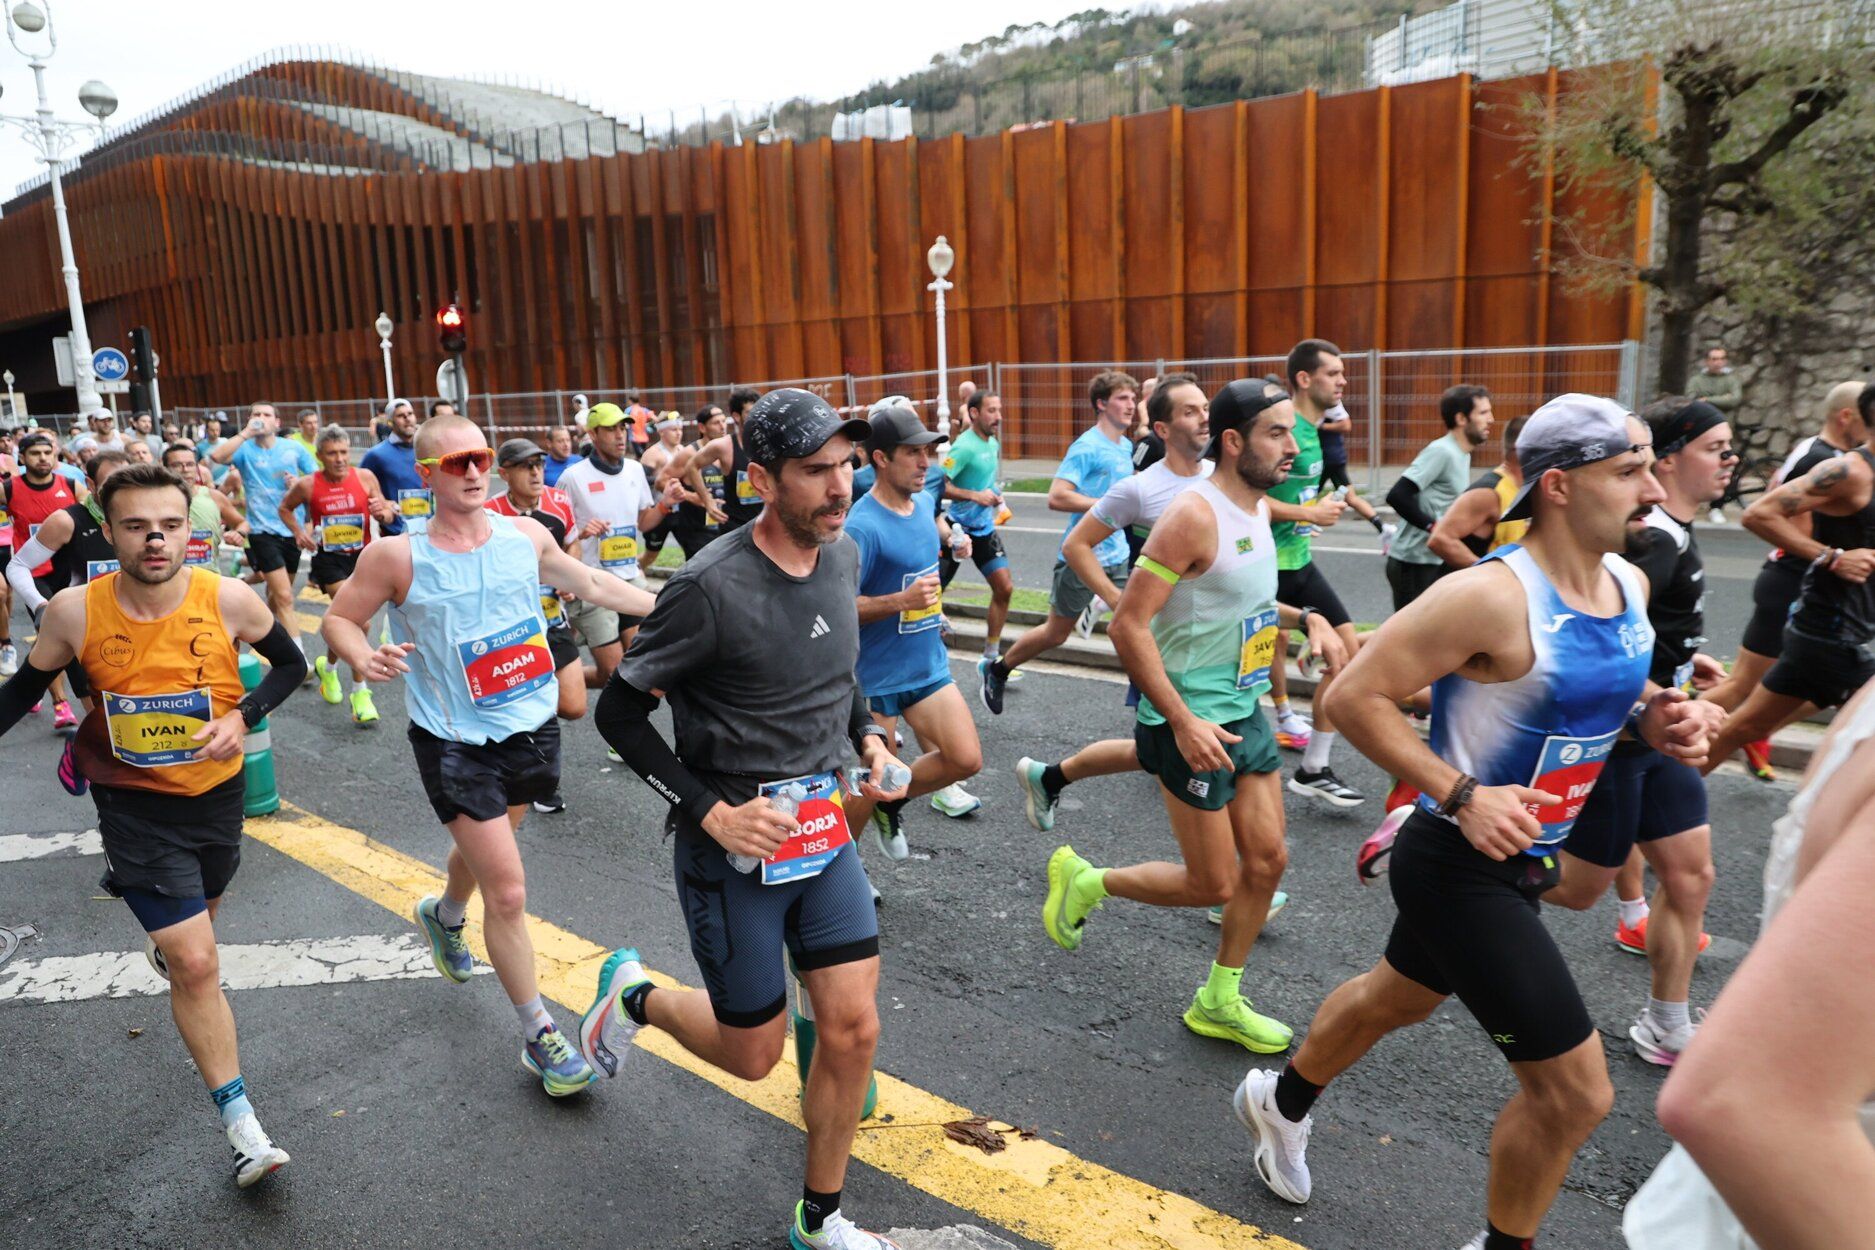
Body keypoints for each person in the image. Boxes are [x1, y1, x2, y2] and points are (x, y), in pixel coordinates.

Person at [1235, 395, 1721, 1250]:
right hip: (1456, 859)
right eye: (1630, 470)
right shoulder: (1489, 595)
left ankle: (1280, 1101)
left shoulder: (1631, 582)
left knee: (1394, 1000)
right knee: (1575, 1094)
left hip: (1527, 856)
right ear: (1561, 486)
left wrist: (1660, 716)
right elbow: (1351, 697)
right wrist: (1461, 792)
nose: (1652, 487)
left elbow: (1610, 697)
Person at [580, 388, 911, 1249]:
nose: (840, 487)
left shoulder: (839, 556)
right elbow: (618, 714)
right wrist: (711, 813)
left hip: (820, 830)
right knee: (754, 1055)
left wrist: (870, 739)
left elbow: (838, 679)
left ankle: (822, 1217)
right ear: (760, 477)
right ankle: (635, 994)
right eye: (815, 471)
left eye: (846, 465)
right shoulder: (706, 588)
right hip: (731, 847)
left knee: (853, 1024)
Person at [320, 414, 655, 1096]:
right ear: (427, 476)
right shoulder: (397, 557)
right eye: (457, 462)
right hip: (453, 741)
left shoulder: (526, 536)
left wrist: (683, 605)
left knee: (490, 849)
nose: (473, 471)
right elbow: (338, 619)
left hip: (529, 726)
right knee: (506, 888)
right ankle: (540, 1035)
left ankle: (442, 914)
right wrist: (363, 654)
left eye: (479, 458)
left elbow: (592, 587)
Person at [0, 461, 309, 1186]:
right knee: (198, 962)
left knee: (202, 914)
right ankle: (242, 1125)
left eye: (169, 526)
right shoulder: (74, 610)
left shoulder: (228, 598)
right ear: (110, 532)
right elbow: (21, 691)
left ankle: (173, 936)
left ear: (188, 530)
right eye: (137, 527)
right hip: (131, 803)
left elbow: (289, 665)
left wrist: (243, 715)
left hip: (214, 797)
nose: (155, 540)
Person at [1042, 379, 1347, 1055]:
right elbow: (1128, 624)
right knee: (1211, 882)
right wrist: (1180, 721)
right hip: (1191, 722)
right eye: (1275, 433)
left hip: (1241, 709)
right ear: (1234, 442)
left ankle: (1218, 999)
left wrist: (1314, 619)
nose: (1291, 445)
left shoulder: (1257, 512)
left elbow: (1249, 608)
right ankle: (1088, 880)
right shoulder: (1193, 515)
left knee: (1266, 862)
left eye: (1290, 432)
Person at [1629, 680, 1875, 1250]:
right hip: (1787, 1207)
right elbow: (1739, 1102)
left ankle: (1666, 1016)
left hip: (1753, 1200)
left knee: (1692, 877)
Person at [1537, 397, 1732, 1067]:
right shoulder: (1648, 544)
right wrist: (1652, 694)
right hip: (1613, 745)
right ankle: (1446, 864)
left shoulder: (1670, 530)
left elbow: (1642, 634)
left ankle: (1666, 1023)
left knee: (1689, 876)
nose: (1730, 463)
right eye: (1717, 449)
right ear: (1671, 459)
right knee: (1572, 890)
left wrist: (1680, 661)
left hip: (1658, 739)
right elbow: (1595, 635)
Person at [1014, 373, 1214, 831]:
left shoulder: (1208, 475)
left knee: (1154, 751)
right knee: (1057, 632)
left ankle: (1050, 776)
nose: (1204, 418)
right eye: (1191, 410)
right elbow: (1062, 510)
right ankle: (1000, 667)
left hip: (1197, 628)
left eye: (1206, 408)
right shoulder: (1132, 479)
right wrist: (1114, 598)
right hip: (1155, 621)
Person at [1703, 381, 1875, 771]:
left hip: (1837, 627)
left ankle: (1655, 781)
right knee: (1743, 697)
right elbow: (1757, 513)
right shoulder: (1846, 470)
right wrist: (1832, 557)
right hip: (1829, 631)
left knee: (1743, 726)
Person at [843, 402, 984, 854]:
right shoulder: (861, 527)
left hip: (926, 667)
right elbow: (837, 605)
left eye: (929, 452)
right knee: (868, 787)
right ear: (881, 459)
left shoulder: (924, 503)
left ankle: (893, 803)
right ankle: (840, 875)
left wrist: (954, 542)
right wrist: (900, 602)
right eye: (912, 453)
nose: (926, 463)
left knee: (965, 759)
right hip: (874, 680)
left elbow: (929, 548)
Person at [977, 370, 1137, 714]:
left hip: (1118, 553)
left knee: (1137, 622)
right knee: (1055, 634)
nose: (1131, 405)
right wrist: (1106, 506)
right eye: (1123, 398)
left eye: (1133, 399)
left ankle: (1152, 704)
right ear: (1101, 403)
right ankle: (999, 668)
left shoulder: (1126, 446)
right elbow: (1057, 496)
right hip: (1082, 555)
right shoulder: (1087, 446)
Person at [1264, 340, 1367, 804]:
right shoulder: (1280, 429)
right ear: (1305, 379)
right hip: (1266, 567)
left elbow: (1296, 499)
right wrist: (1307, 515)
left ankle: (1313, 768)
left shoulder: (1316, 431)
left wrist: (1312, 513)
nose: (1343, 381)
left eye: (1343, 374)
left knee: (1347, 657)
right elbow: (1247, 498)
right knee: (1237, 670)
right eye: (1334, 373)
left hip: (1300, 563)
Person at [484, 436, 588, 816]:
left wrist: (569, 577)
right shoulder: (490, 512)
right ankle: (543, 784)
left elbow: (572, 545)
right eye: (526, 466)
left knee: (573, 706)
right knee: (541, 707)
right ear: (504, 472)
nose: (535, 472)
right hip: (513, 630)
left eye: (539, 465)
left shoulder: (558, 503)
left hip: (553, 617)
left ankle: (529, 739)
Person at [556, 402, 685, 689]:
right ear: (593, 433)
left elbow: (644, 522)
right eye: (610, 429)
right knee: (613, 676)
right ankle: (557, 685)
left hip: (630, 578)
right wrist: (582, 533)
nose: (619, 435)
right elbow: (557, 536)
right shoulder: (573, 478)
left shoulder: (635, 470)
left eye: (622, 428)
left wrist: (665, 505)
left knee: (645, 668)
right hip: (592, 582)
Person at [277, 425, 396, 724]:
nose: (340, 459)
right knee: (359, 621)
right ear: (320, 456)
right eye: (332, 454)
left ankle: (328, 669)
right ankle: (360, 692)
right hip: (329, 561)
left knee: (346, 622)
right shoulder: (307, 485)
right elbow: (285, 509)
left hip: (363, 557)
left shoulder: (365, 477)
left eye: (344, 452)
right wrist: (298, 534)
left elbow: (382, 509)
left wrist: (382, 511)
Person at [209, 404, 318, 655]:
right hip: (260, 531)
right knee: (285, 597)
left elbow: (315, 480)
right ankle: (299, 657)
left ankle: (263, 627)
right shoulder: (244, 448)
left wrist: (299, 483)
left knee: (280, 596)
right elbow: (217, 457)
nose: (260, 419)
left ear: (277, 423)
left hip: (292, 529)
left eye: (266, 415)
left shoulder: (292, 448)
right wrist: (245, 433)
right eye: (255, 415)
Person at [1384, 385, 1494, 610]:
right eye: (1483, 413)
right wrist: (1434, 527)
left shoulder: (1461, 454)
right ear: (1461, 418)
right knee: (1411, 640)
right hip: (1413, 562)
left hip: (1433, 559)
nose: (1491, 419)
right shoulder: (1442, 451)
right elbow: (1398, 495)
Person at [937, 390, 1014, 667]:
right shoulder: (964, 447)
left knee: (1004, 588)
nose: (998, 417)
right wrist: (975, 496)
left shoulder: (991, 443)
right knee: (931, 596)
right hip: (956, 531)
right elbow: (940, 484)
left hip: (983, 531)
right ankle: (931, 659)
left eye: (999, 410)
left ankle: (990, 658)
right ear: (974, 414)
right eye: (992, 411)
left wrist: (995, 497)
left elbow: (984, 482)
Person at [1427, 415, 1530, 567]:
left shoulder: (1519, 489)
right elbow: (1440, 539)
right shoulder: (1489, 493)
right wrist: (1485, 573)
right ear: (1521, 448)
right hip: (1469, 588)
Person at [159, 443, 248, 572]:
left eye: (190, 464)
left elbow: (242, 522)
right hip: (168, 578)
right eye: (177, 465)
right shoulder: (154, 499)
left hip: (208, 577)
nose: (185, 469)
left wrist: (238, 534)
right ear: (165, 469)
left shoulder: (214, 497)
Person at [359, 398, 430, 537]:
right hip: (396, 532)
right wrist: (382, 504)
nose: (407, 419)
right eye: (400, 416)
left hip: (429, 529)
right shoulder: (376, 454)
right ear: (390, 422)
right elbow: (360, 486)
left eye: (410, 414)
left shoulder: (427, 449)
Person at [668, 405, 730, 558]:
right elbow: (662, 481)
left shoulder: (728, 450)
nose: (722, 427)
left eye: (724, 421)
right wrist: (692, 496)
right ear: (702, 427)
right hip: (696, 531)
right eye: (716, 423)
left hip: (724, 527)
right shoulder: (689, 453)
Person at [637, 413, 687, 568]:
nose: (678, 433)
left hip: (681, 510)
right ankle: (634, 573)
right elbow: (641, 480)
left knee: (693, 550)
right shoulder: (653, 454)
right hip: (659, 511)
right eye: (673, 430)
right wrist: (662, 481)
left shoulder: (683, 451)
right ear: (661, 432)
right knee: (651, 555)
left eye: (680, 429)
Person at [1683, 345, 1741, 416]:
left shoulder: (1732, 380)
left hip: (1725, 423)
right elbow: (1692, 402)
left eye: (1722, 359)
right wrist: (1723, 399)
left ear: (1725, 361)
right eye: (1714, 359)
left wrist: (1706, 399)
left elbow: (1734, 400)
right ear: (1706, 361)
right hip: (1703, 422)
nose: (1718, 362)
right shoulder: (1695, 381)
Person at [542, 424, 583, 488]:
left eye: (568, 440)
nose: (566, 445)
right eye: (560, 441)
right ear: (549, 443)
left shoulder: (580, 461)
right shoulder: (542, 466)